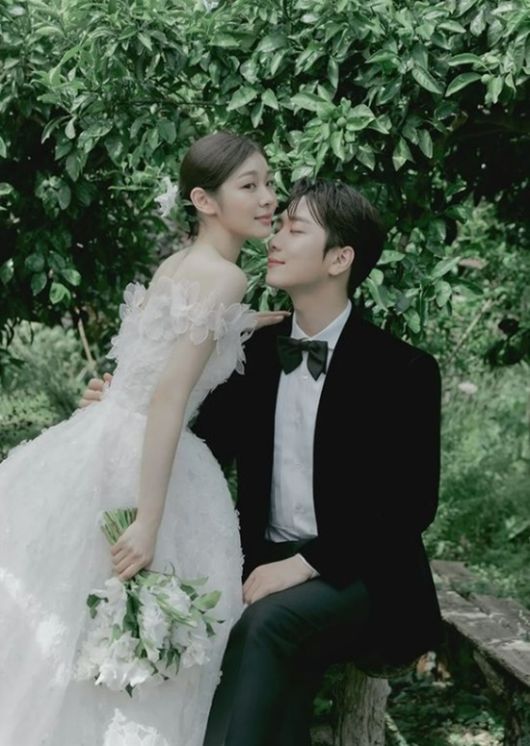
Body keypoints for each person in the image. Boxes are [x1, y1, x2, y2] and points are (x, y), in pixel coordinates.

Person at [83, 177, 443, 746]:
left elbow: (409, 506)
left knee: (265, 626)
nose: (274, 239)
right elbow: (196, 443)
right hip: (260, 566)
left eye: (295, 229)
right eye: (279, 225)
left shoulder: (403, 370)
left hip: (365, 576)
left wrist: (305, 565)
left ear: (340, 259)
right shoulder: (252, 356)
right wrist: (122, 410)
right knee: (253, 659)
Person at [0, 131, 288, 746]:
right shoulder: (226, 278)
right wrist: (150, 520)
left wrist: (250, 322)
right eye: (250, 186)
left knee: (66, 616)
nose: (269, 198)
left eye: (269, 182)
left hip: (103, 436)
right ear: (204, 201)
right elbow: (167, 397)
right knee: (129, 626)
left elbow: (160, 357)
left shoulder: (179, 264)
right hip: (147, 459)